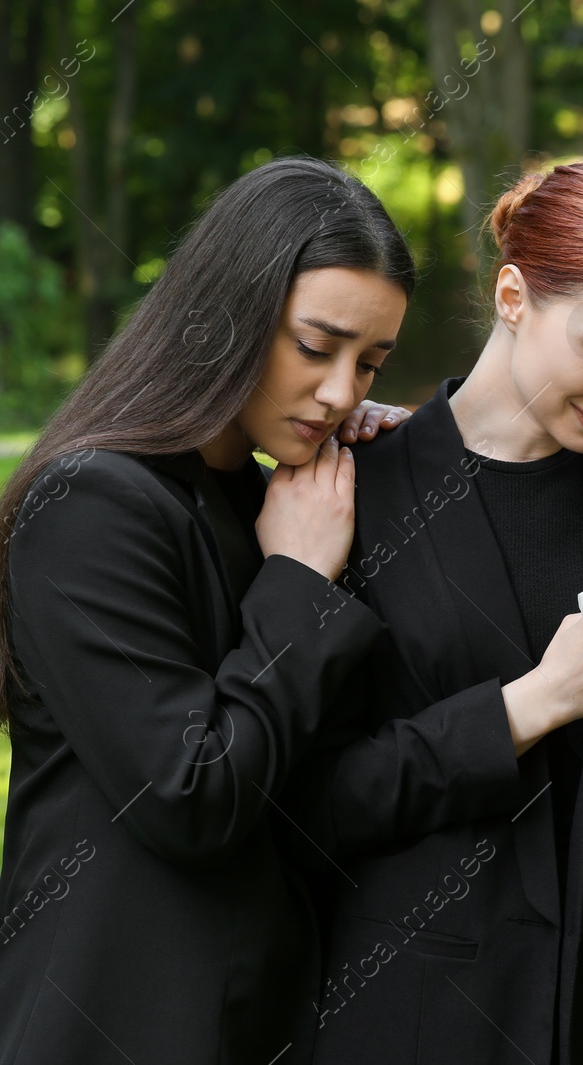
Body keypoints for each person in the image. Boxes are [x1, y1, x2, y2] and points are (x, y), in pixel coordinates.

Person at [290, 160, 583, 1065]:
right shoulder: (349, 488)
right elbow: (317, 798)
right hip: (414, 1011)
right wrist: (529, 707)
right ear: (514, 294)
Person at [0, 157, 413, 1063]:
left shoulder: (267, 504)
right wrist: (300, 581)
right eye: (317, 347)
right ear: (230, 312)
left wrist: (389, 477)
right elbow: (189, 793)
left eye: (370, 362)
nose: (343, 389)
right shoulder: (90, 504)